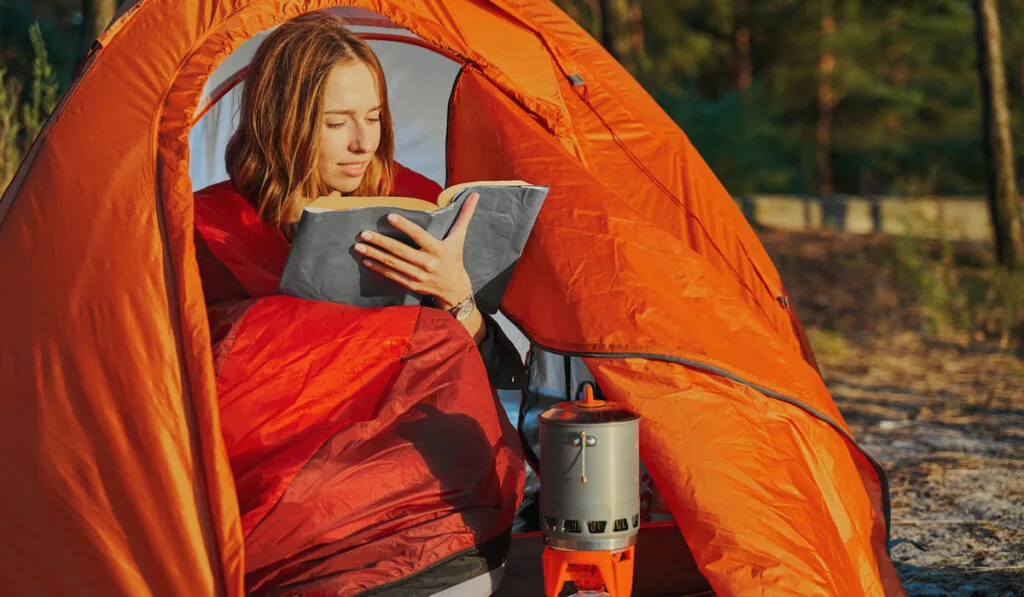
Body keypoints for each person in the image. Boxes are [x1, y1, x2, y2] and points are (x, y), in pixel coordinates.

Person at [192, 12, 525, 595]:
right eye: (336, 122)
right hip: (295, 499)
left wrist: (457, 299)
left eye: (373, 118)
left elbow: (490, 373)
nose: (363, 142)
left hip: (430, 500)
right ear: (282, 123)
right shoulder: (205, 230)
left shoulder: (412, 205)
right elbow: (197, 389)